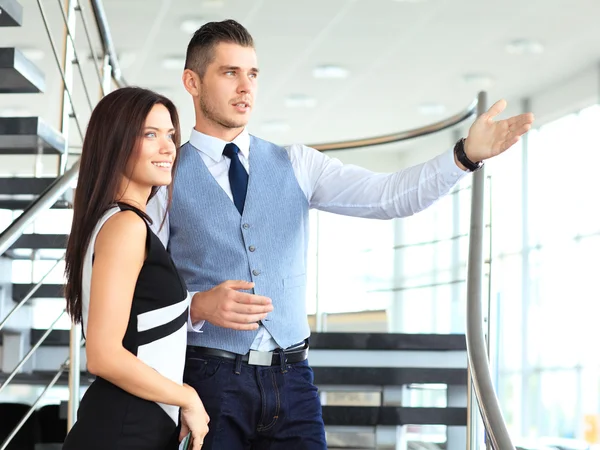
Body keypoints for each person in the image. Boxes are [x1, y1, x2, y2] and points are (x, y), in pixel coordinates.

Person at [147, 19, 534, 449]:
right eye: (230, 73)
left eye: (253, 74)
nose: (246, 88)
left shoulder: (297, 163)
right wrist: (196, 306)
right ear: (192, 82)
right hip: (208, 381)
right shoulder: (164, 180)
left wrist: (463, 156)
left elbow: (389, 196)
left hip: (292, 381)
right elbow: (139, 298)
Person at [62, 87, 209, 450]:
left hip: (135, 427)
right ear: (116, 143)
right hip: (124, 430)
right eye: (150, 134)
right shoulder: (126, 226)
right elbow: (104, 354)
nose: (168, 148)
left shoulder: (119, 222)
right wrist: (186, 396)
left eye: (170, 135)